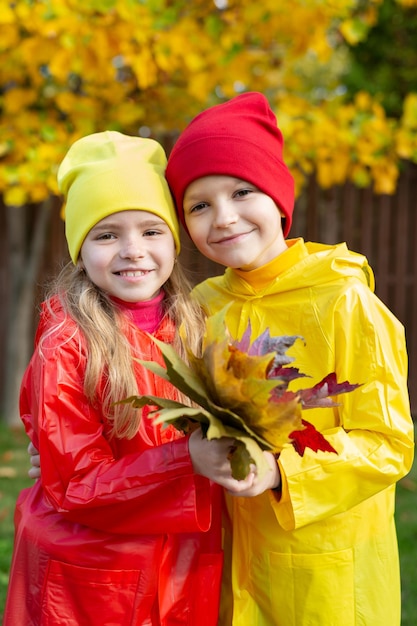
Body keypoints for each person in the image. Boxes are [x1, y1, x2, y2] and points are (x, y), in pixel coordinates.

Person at [164, 92, 415, 625]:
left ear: (278, 198)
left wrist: (282, 470)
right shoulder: (200, 309)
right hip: (232, 561)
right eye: (199, 205)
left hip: (328, 575)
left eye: (241, 191)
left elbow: (389, 445)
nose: (224, 218)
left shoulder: (344, 302)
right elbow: (172, 413)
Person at [4, 131, 235, 626]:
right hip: (91, 576)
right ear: (79, 250)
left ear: (173, 240)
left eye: (151, 231)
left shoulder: (196, 325)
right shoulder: (67, 343)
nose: (133, 250)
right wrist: (186, 459)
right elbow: (76, 483)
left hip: (179, 565)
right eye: (107, 234)